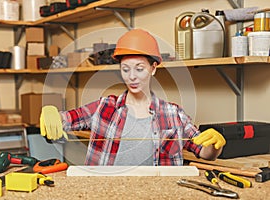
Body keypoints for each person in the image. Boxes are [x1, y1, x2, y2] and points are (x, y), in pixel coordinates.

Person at [40, 29, 226, 166]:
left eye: (139, 69)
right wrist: (51, 113)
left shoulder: (173, 114)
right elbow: (66, 120)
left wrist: (215, 145)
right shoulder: (104, 107)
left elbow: (205, 153)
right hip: (107, 191)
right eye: (125, 69)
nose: (132, 77)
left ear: (153, 69)